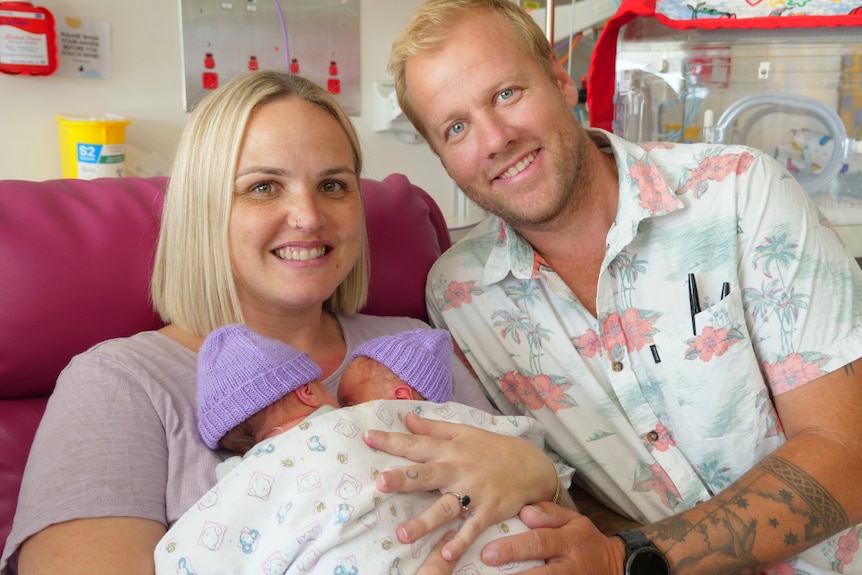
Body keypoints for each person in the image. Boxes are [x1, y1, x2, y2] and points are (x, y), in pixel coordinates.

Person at [359, 1, 862, 574]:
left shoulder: (741, 193)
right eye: (456, 127)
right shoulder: (460, 297)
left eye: (506, 94)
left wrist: (629, 558)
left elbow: (848, 451)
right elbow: (563, 489)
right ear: (442, 158)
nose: (495, 138)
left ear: (557, 76)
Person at [0, 70, 560, 574]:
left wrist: (540, 475)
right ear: (203, 209)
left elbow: (551, 527)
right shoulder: (119, 384)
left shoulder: (415, 346)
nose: (309, 216)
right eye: (263, 186)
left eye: (333, 185)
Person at [155, 323, 558, 574]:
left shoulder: (236, 480)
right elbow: (513, 440)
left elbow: (189, 547)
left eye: (351, 404)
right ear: (308, 391)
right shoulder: (366, 424)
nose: (351, 413)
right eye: (345, 404)